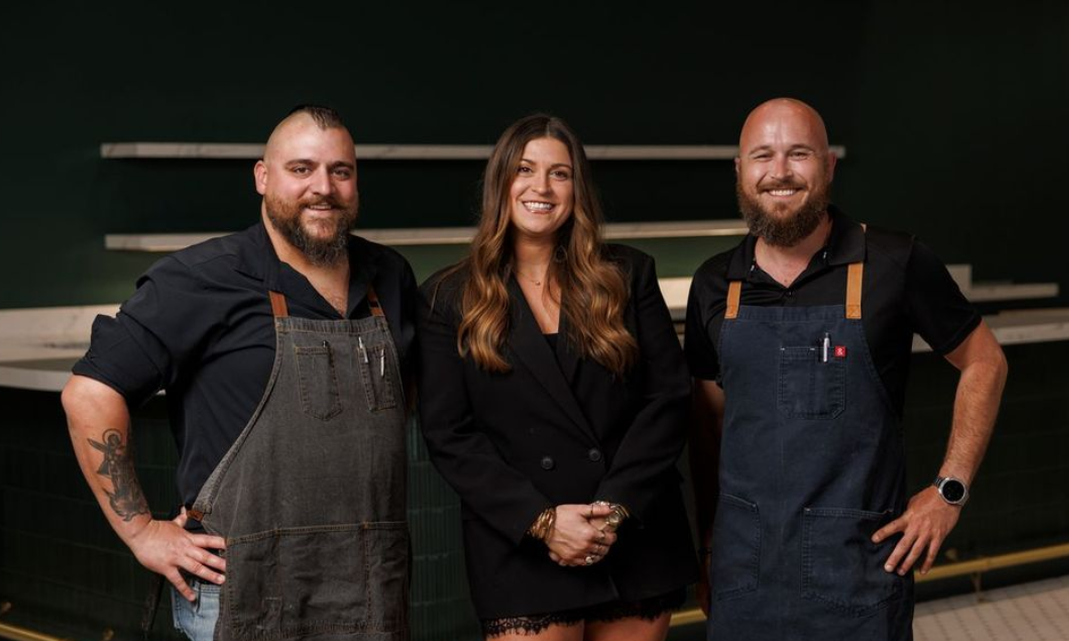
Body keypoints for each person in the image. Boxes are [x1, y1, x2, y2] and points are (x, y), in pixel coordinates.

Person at [61, 105, 416, 641]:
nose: (323, 187)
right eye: (301, 169)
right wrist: (141, 533)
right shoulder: (199, 278)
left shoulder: (389, 276)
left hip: (370, 590)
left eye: (340, 171)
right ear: (262, 176)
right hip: (244, 593)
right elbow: (89, 394)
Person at [685, 98, 1008, 640]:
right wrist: (709, 545)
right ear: (740, 171)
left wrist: (948, 490)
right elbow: (709, 423)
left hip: (859, 575)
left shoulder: (894, 261)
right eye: (762, 156)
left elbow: (985, 361)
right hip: (744, 576)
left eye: (799, 154)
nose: (780, 172)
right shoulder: (715, 283)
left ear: (829, 165)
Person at [417, 114, 697, 640]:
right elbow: (449, 435)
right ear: (501, 182)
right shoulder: (447, 297)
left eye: (560, 173)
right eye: (525, 169)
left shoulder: (628, 273)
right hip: (521, 544)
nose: (541, 187)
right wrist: (543, 521)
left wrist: (613, 510)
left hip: (631, 533)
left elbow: (668, 398)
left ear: (578, 189)